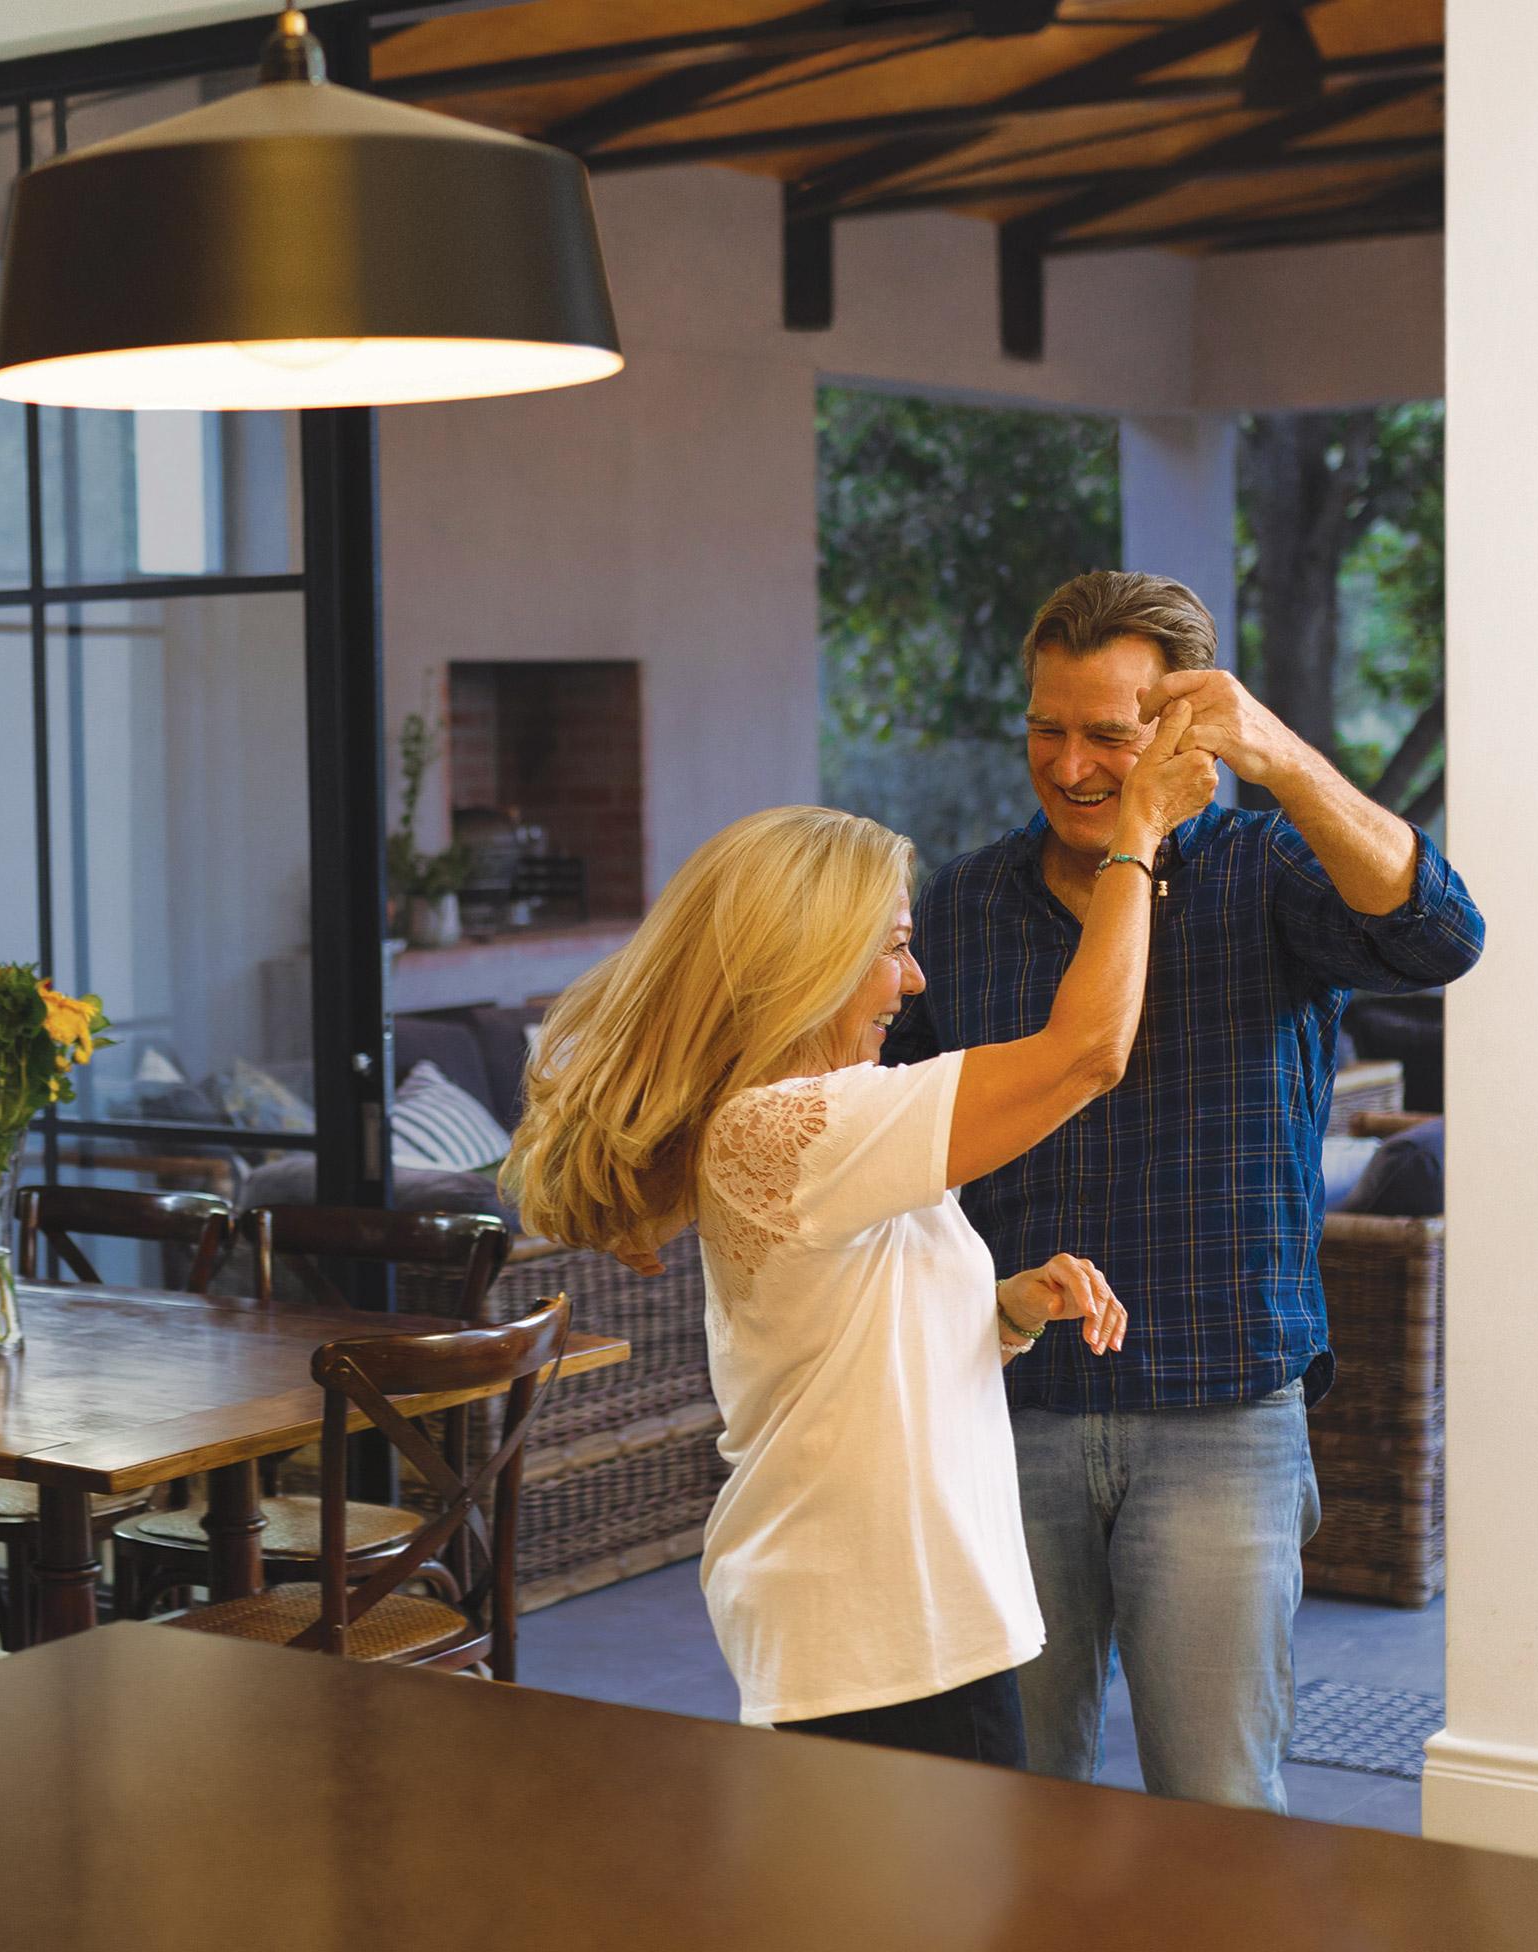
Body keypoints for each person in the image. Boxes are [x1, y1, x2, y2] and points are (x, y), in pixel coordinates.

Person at [502, 712, 1218, 1765]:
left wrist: (1006, 1310)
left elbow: (855, 1338)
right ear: (807, 965)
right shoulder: (790, 1125)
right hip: (883, 1636)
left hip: (896, 1627)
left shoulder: (824, 1123)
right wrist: (1138, 832)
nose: (914, 979)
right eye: (892, 948)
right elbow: (1085, 1056)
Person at [883, 570, 1487, 1811]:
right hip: (1004, 1407)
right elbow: (892, 1128)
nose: (1070, 765)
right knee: (1010, 1809)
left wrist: (1283, 759)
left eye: (1108, 733)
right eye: (1046, 728)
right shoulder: (966, 903)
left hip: (1223, 1413)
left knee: (1219, 1814)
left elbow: (1441, 936)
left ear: (1186, 724)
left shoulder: (1271, 870)